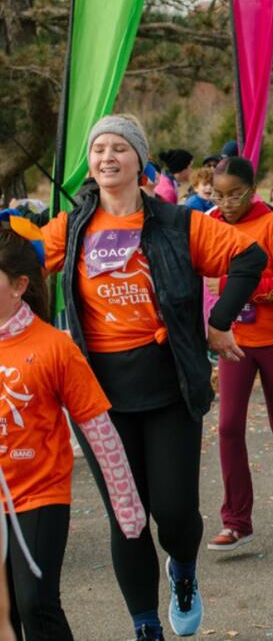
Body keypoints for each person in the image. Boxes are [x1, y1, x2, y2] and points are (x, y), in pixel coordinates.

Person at [40, 115, 267, 641]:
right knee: (128, 516)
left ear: (139, 160)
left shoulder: (176, 222)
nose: (107, 157)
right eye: (99, 148)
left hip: (169, 384)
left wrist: (219, 322)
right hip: (99, 396)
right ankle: (145, 625)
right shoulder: (71, 227)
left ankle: (183, 570)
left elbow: (249, 256)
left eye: (119, 147)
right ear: (89, 163)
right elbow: (19, 265)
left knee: (174, 512)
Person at [0, 217, 146, 641]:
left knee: (35, 603)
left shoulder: (55, 347)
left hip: (38, 494)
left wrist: (126, 506)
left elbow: (99, 430)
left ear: (19, 286)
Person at [205, 158, 273, 551]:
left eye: (235, 194)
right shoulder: (209, 223)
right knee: (228, 426)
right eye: (219, 195)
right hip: (233, 341)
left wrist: (233, 287)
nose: (227, 203)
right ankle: (236, 521)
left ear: (252, 191)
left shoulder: (272, 224)